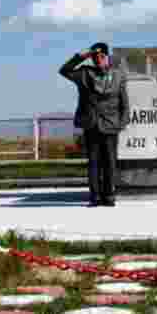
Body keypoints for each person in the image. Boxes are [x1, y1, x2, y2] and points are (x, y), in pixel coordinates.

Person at [58, 42, 129, 207]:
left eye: (102, 56)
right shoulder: (84, 73)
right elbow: (64, 70)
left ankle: (109, 196)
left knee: (110, 162)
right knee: (94, 163)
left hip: (111, 125)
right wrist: (82, 56)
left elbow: (124, 103)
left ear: (107, 57)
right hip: (91, 124)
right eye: (95, 57)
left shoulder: (118, 75)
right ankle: (95, 196)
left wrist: (121, 123)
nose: (99, 59)